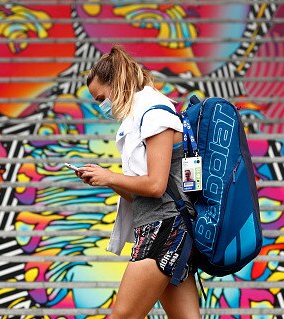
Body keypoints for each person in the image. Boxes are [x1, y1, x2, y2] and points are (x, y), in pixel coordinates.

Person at [77, 45, 200, 319]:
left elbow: (156, 186)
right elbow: (141, 194)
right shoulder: (139, 117)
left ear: (117, 84)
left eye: (101, 98)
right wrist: (104, 180)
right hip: (163, 226)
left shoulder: (155, 113)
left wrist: (109, 175)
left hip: (164, 228)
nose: (101, 106)